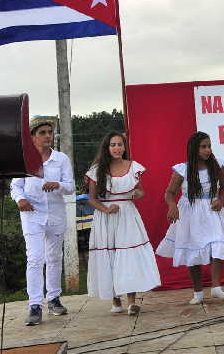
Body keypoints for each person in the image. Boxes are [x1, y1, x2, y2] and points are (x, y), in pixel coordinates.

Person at [156, 132, 224, 303]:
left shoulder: (217, 166)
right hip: (189, 212)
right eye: (203, 146)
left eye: (209, 146)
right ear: (194, 149)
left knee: (218, 245)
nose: (207, 150)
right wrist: (172, 206)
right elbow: (169, 192)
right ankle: (198, 292)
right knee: (192, 249)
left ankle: (216, 287)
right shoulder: (183, 170)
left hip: (211, 209)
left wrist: (221, 200)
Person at [85, 132, 161, 315]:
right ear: (107, 148)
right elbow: (92, 199)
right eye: (113, 145)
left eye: (120, 144)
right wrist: (106, 209)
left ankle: (132, 302)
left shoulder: (133, 167)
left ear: (124, 147)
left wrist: (137, 194)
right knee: (110, 256)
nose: (117, 148)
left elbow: (140, 192)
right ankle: (115, 300)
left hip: (128, 215)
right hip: (106, 218)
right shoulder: (97, 170)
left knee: (129, 256)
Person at [10, 116, 73, 326]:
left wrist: (57, 185)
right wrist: (20, 200)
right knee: (35, 258)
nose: (48, 136)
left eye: (50, 132)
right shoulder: (24, 158)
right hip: (32, 214)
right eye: (42, 132)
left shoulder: (61, 159)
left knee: (54, 257)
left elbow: (71, 186)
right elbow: (16, 186)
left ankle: (54, 298)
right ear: (32, 137)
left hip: (55, 213)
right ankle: (35, 305)